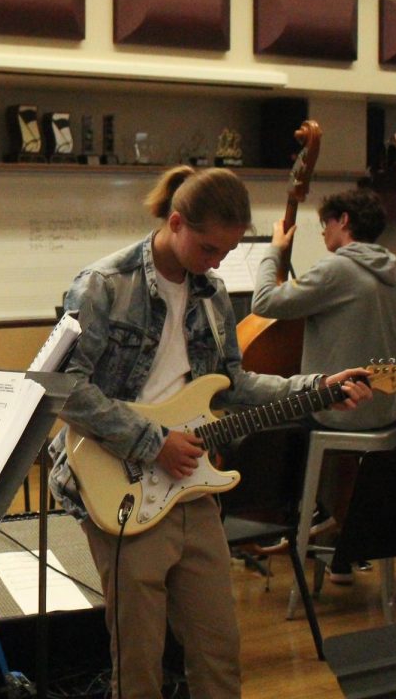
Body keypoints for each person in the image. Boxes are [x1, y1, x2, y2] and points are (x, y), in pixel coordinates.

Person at [47, 166, 371, 699]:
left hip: (193, 485)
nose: (217, 261)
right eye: (208, 248)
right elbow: (63, 387)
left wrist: (319, 385)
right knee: (139, 666)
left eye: (226, 250)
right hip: (118, 482)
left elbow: (232, 384)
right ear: (176, 223)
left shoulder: (213, 294)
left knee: (219, 651)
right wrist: (154, 443)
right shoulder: (104, 284)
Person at [250, 188, 396, 583]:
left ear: (344, 221)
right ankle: (338, 534)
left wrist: (274, 249)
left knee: (268, 415)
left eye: (326, 224)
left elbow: (264, 302)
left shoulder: (340, 268)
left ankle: (298, 516)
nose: (324, 234)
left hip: (343, 415)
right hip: (385, 415)